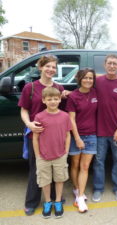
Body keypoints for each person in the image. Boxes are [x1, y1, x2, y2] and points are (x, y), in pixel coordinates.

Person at [18, 55, 66, 216]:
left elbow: (62, 108)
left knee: (55, 169)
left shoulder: (59, 88)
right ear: (40, 67)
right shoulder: (30, 88)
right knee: (37, 169)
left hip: (55, 138)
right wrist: (29, 124)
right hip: (36, 136)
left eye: (53, 67)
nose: (51, 69)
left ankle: (55, 199)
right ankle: (31, 202)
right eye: (48, 66)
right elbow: (24, 109)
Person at [92, 55, 117, 202]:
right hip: (100, 130)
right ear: (105, 65)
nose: (112, 66)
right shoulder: (98, 81)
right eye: (109, 63)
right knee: (99, 161)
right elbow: (83, 82)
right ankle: (98, 189)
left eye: (115, 64)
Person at [32, 87, 71, 218]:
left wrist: (66, 152)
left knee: (60, 179)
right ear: (44, 100)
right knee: (45, 180)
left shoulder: (65, 116)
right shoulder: (39, 116)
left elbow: (68, 135)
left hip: (60, 155)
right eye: (49, 99)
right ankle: (48, 202)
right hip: (43, 156)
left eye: (56, 99)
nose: (53, 101)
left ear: (60, 99)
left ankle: (58, 201)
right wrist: (37, 155)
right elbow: (35, 137)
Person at [66, 69, 98, 212]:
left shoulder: (96, 93)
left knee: (85, 167)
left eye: (91, 78)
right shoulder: (73, 96)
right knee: (75, 164)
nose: (88, 80)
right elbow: (71, 119)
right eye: (85, 78)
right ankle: (76, 188)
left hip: (91, 135)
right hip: (75, 136)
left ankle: (79, 197)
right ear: (79, 79)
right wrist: (77, 138)